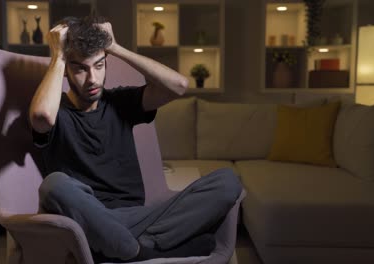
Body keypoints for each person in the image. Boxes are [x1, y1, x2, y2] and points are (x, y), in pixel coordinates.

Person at [29, 15, 243, 262]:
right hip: (90, 217)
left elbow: (179, 85)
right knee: (53, 185)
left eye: (99, 65)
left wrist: (116, 47)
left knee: (227, 181)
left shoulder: (121, 102)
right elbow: (41, 117)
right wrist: (58, 55)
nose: (93, 79)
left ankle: (122, 247)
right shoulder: (56, 111)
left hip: (140, 215)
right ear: (66, 70)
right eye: (80, 69)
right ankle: (141, 251)